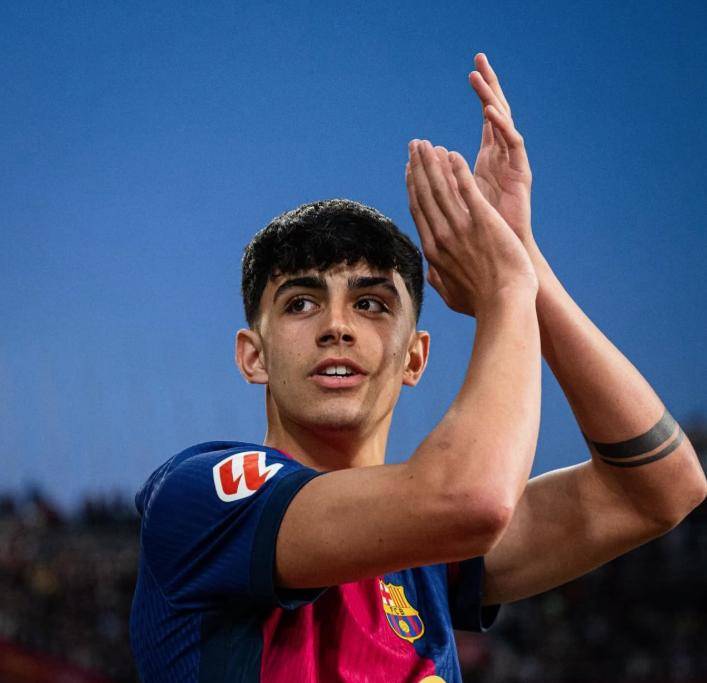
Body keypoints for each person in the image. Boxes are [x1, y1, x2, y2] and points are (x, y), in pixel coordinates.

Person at [129, 53, 706, 682]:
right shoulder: (201, 498)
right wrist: (505, 291)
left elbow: (662, 489)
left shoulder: (425, 552)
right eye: (301, 303)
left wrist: (527, 263)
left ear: (414, 358)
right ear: (253, 355)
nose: (337, 325)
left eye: (371, 304)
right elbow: (470, 501)